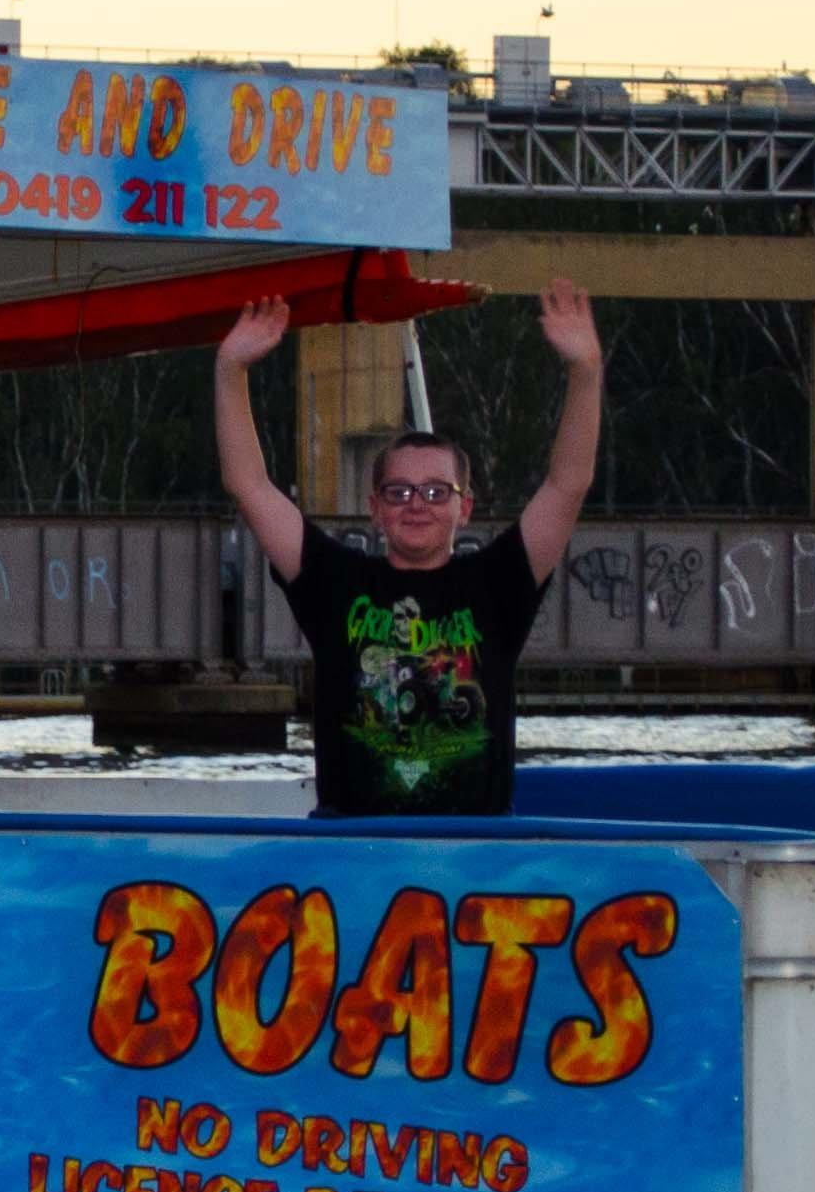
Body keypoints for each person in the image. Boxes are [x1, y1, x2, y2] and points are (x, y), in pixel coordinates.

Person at [212, 282, 601, 816]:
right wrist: (231, 368)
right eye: (399, 492)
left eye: (437, 491)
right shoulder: (334, 582)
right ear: (375, 507)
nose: (417, 504)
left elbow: (568, 483)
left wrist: (585, 372)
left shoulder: (499, 583)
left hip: (472, 860)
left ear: (464, 508)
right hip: (355, 857)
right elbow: (248, 484)